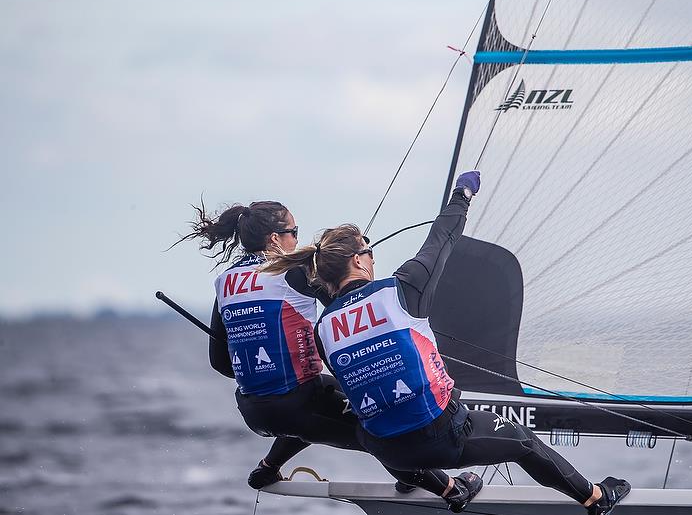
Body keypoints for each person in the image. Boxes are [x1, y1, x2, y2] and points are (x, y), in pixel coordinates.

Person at [262, 172, 631, 515]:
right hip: (441, 439)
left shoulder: (324, 327)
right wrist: (462, 195)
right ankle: (596, 497)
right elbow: (442, 237)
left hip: (386, 450)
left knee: (385, 424)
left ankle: (425, 482)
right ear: (359, 260)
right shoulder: (403, 288)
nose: (373, 258)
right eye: (369, 251)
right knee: (522, 442)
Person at [178, 199, 483, 512]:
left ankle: (268, 466)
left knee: (327, 403)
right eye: (293, 232)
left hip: (253, 410)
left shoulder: (225, 281)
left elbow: (220, 363)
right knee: (375, 427)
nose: (297, 239)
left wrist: (262, 375)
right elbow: (348, 305)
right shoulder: (294, 274)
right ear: (275, 239)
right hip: (298, 403)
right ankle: (449, 489)